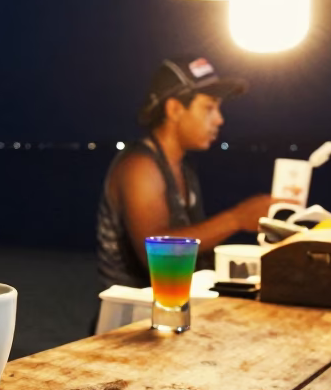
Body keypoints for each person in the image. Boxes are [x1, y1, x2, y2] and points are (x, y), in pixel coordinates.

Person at [97, 56, 279, 291]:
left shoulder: (182, 166)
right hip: (134, 308)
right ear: (174, 109)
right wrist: (237, 219)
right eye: (209, 108)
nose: (220, 119)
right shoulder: (139, 166)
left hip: (176, 301)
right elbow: (155, 257)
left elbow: (193, 245)